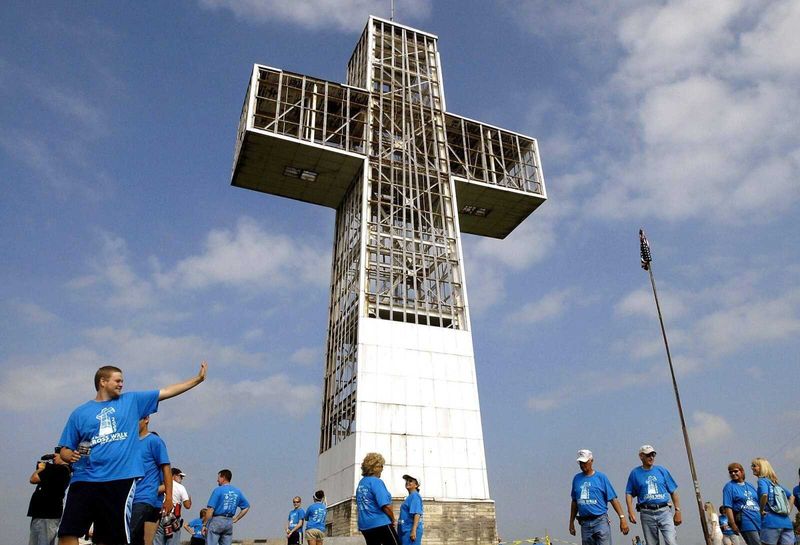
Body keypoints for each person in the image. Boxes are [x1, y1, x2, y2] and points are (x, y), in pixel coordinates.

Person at [56, 362, 208, 545]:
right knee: (68, 533)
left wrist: (197, 380)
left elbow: (166, 391)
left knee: (110, 537)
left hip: (118, 480)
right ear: (102, 382)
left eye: (122, 381)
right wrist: (67, 455)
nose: (121, 384)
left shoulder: (131, 401)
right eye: (117, 380)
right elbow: (64, 448)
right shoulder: (79, 413)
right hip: (84, 479)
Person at [569, 449, 629, 545]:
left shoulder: (601, 478)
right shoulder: (576, 479)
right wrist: (571, 522)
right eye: (580, 462)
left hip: (600, 521)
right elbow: (574, 502)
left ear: (591, 461)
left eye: (585, 462)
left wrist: (622, 518)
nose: (582, 465)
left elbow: (613, 499)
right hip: (585, 524)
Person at [625, 445, 681, 545]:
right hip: (646, 513)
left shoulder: (662, 470)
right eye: (648, 455)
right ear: (641, 456)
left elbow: (673, 491)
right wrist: (630, 510)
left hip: (664, 511)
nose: (651, 457)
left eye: (653, 455)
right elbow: (629, 493)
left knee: (671, 542)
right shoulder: (635, 473)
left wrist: (678, 510)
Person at [130, 416, 172, 545]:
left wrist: (168, 498)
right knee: (136, 539)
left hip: (148, 501)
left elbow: (167, 472)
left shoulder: (155, 442)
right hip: (130, 499)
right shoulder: (130, 444)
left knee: (127, 535)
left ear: (146, 419)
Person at [27, 448, 71, 545]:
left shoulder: (60, 469)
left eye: (56, 455)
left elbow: (33, 479)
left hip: (46, 515)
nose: (53, 458)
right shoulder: (61, 470)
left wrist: (41, 469)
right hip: (43, 514)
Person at [356, 452, 399, 545]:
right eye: (381, 466)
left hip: (365, 525)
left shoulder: (361, 483)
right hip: (380, 523)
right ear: (376, 467)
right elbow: (385, 506)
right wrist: (393, 519)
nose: (382, 469)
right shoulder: (376, 482)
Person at [751, 457, 796, 545]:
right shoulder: (775, 484)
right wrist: (788, 511)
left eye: (754, 466)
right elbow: (792, 496)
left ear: (761, 467)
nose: (752, 468)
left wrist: (761, 510)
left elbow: (764, 495)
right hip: (786, 523)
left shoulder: (762, 481)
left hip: (771, 523)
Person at [203, 469, 250, 545]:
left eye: (218, 478)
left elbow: (210, 509)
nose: (217, 480)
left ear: (223, 477)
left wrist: (204, 524)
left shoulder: (218, 490)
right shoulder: (237, 491)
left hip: (217, 520)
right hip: (229, 522)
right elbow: (246, 507)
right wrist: (237, 518)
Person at [722, 462, 761, 545]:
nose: (733, 473)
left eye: (735, 471)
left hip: (758, 519)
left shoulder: (750, 485)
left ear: (742, 471)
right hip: (746, 520)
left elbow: (758, 502)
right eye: (730, 472)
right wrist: (732, 524)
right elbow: (728, 507)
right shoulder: (729, 487)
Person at [154, 468, 192, 545]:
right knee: (173, 541)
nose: (181, 478)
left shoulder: (161, 484)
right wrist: (190, 500)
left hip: (160, 516)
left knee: (158, 541)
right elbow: (187, 506)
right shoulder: (180, 487)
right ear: (174, 476)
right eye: (180, 476)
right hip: (173, 518)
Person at [399, 474, 423, 545]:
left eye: (410, 481)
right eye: (407, 481)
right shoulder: (410, 497)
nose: (407, 482)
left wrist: (413, 531)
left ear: (416, 485)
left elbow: (417, 513)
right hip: (405, 530)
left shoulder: (415, 496)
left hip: (410, 531)